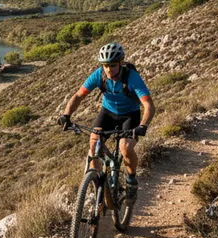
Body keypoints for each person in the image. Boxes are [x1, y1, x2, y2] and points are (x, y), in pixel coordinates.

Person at [58, 42, 155, 204]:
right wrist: (66, 115)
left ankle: (131, 180)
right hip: (108, 113)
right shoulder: (99, 75)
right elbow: (78, 96)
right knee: (94, 143)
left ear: (121, 62)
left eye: (112, 65)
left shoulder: (132, 77)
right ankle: (97, 185)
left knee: (126, 147)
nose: (109, 69)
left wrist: (143, 125)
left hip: (129, 115)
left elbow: (148, 105)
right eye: (105, 66)